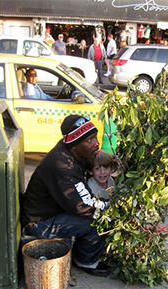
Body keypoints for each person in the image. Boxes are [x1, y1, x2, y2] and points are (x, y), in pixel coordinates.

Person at [21, 114, 109, 277]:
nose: (96, 143)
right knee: (99, 221)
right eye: (89, 140)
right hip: (39, 223)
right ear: (75, 145)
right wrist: (109, 205)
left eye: (95, 137)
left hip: (50, 212)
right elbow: (82, 206)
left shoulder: (68, 150)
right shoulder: (63, 166)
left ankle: (83, 252)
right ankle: (85, 261)